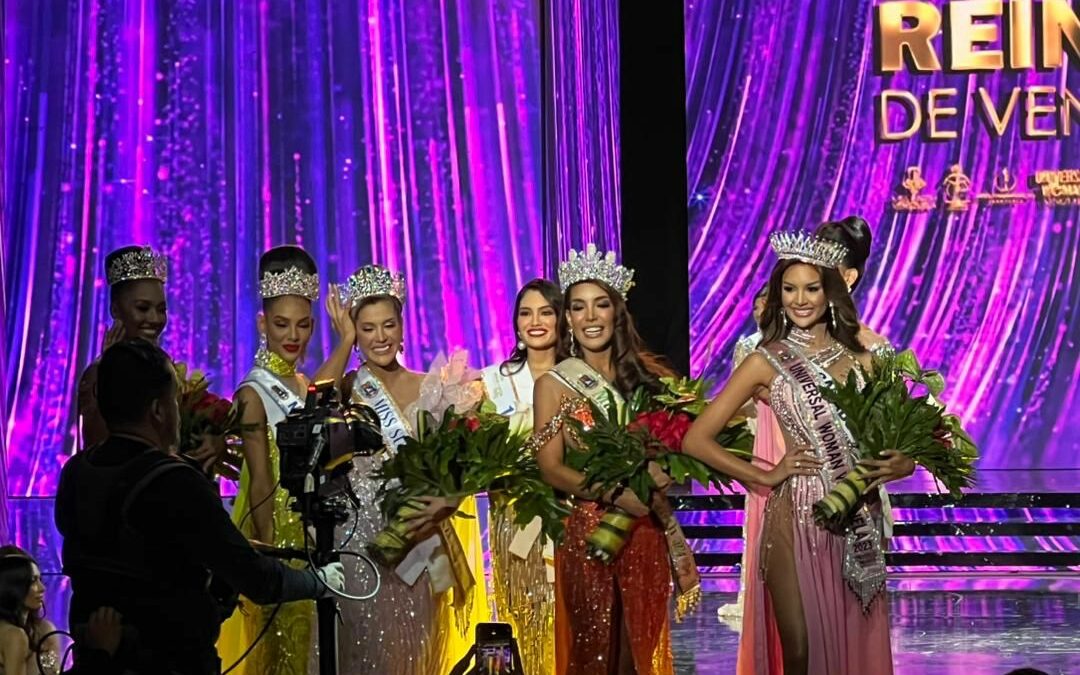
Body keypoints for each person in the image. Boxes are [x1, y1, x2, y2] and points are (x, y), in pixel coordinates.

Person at [682, 231, 915, 675]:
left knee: (850, 642)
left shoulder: (866, 359)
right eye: (789, 289)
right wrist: (765, 476)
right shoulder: (765, 360)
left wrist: (903, 463)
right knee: (801, 650)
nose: (800, 300)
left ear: (831, 292)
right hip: (792, 515)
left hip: (853, 513)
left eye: (811, 288)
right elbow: (697, 439)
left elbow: (899, 439)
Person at [55, 339, 344, 675]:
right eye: (175, 401)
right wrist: (319, 581)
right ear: (159, 410)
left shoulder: (76, 471)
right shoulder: (173, 482)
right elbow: (257, 579)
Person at [323, 264, 488, 674]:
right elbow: (310, 406)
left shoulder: (430, 386)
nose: (380, 337)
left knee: (415, 647)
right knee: (364, 647)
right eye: (366, 327)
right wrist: (342, 341)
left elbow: (458, 464)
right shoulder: (345, 387)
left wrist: (443, 500)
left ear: (401, 327)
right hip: (359, 537)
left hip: (417, 535)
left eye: (388, 325)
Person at [531, 245, 678, 674]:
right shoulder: (554, 385)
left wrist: (661, 473)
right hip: (587, 530)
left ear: (617, 314)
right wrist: (616, 491)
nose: (591, 317)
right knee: (594, 651)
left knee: (638, 650)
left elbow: (678, 443)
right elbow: (551, 466)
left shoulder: (651, 379)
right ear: (568, 320)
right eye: (579, 307)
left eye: (601, 305)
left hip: (645, 529)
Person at [216, 246, 326, 675]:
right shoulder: (252, 391)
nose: (292, 335)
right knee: (281, 648)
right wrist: (271, 559)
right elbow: (259, 479)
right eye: (281, 324)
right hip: (277, 530)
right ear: (263, 323)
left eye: (302, 325)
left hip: (311, 522)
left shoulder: (301, 381)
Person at [76, 245, 224, 474]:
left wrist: (211, 438)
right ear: (116, 310)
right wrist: (113, 374)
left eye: (161, 309)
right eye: (143, 308)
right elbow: (98, 454)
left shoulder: (165, 366)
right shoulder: (97, 374)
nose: (154, 319)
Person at [480, 278, 563, 674]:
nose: (536, 322)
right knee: (525, 614)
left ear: (561, 320)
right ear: (515, 324)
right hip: (515, 520)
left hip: (569, 514)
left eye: (546, 312)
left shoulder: (578, 376)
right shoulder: (492, 381)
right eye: (526, 313)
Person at [0, 548, 60, 674]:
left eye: (40, 579)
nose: (42, 588)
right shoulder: (12, 634)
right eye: (32, 581)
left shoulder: (45, 631)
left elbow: (54, 672)